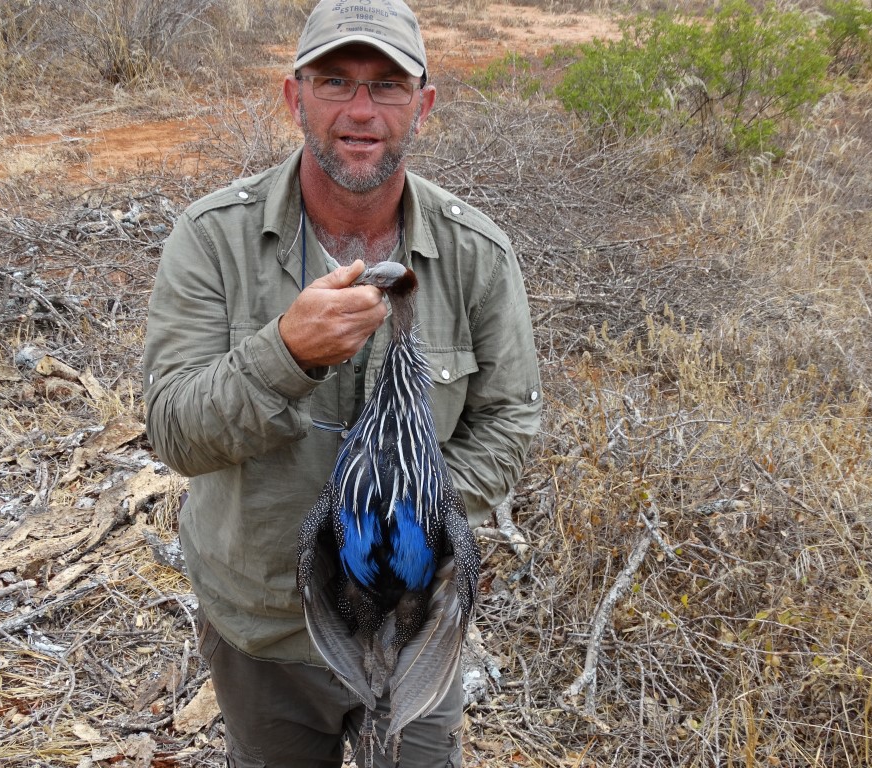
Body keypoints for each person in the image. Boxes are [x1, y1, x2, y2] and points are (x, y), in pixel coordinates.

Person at [142, 0, 541, 765]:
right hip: (265, 627)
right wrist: (285, 352)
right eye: (334, 82)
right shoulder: (213, 239)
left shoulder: (477, 254)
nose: (361, 111)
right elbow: (174, 432)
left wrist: (415, 509)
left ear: (421, 106)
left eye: (387, 86)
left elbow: (509, 422)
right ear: (295, 98)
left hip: (416, 624)